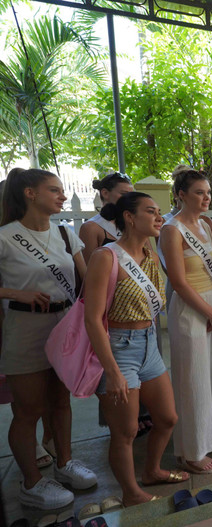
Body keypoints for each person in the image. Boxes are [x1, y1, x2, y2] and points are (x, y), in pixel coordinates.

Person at [0, 168, 96, 509]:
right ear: (29, 193)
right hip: (24, 329)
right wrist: (15, 293)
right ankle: (32, 482)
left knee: (60, 402)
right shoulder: (6, 236)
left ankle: (65, 462)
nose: (62, 195)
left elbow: (88, 280)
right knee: (28, 410)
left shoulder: (67, 234)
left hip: (63, 327)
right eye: (54, 190)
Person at [84, 192, 184, 506]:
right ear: (129, 217)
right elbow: (92, 319)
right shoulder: (106, 256)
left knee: (167, 418)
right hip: (118, 347)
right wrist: (112, 371)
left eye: (159, 212)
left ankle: (152, 470)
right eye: (151, 212)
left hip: (148, 345)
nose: (159, 217)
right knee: (125, 430)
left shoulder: (150, 253)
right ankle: (130, 492)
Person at [160, 170, 212, 474]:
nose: (206, 198)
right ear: (181, 194)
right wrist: (210, 312)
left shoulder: (206, 224)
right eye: (199, 193)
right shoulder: (171, 229)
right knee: (193, 379)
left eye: (207, 192)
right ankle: (192, 449)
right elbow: (177, 281)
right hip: (190, 309)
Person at [79, 172, 135, 261]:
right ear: (105, 193)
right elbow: (89, 269)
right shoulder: (91, 227)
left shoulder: (135, 223)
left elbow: (150, 258)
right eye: (124, 194)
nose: (129, 199)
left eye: (131, 195)